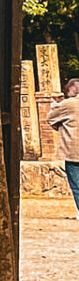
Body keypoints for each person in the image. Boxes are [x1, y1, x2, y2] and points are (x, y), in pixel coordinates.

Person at [51, 77, 79, 210]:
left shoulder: (68, 104)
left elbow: (51, 118)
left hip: (73, 151)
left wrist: (56, 103)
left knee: (77, 185)